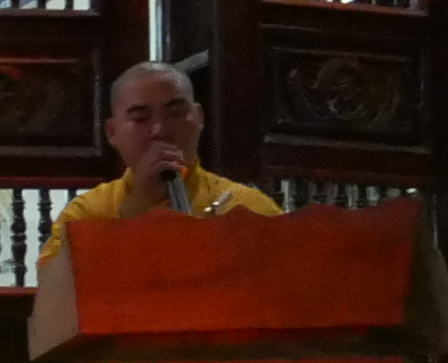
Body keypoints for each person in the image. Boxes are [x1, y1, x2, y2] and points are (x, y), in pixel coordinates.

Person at [46, 61, 279, 244]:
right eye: (140, 118)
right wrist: (137, 206)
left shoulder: (247, 208)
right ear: (112, 132)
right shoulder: (85, 214)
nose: (160, 130)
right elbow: (59, 287)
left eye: (176, 113)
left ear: (199, 118)